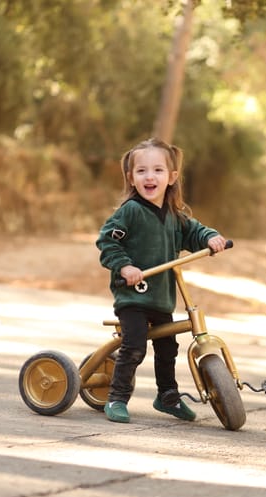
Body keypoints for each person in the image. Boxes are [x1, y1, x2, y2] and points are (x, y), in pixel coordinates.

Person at [96, 138, 227, 424]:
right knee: (134, 346)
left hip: (161, 297)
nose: (149, 176)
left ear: (172, 177)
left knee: (168, 348)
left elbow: (196, 232)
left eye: (157, 170)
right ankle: (117, 397)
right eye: (141, 171)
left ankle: (167, 396)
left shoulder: (175, 217)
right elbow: (107, 241)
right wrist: (125, 266)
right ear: (131, 177)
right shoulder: (130, 211)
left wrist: (211, 238)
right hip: (133, 296)